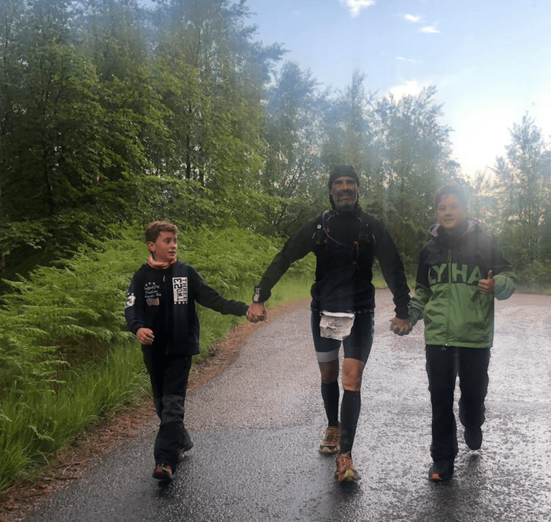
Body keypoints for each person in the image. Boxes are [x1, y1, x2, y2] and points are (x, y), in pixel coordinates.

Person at [246, 165, 412, 483]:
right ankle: (332, 425)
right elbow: (285, 256)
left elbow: (392, 265)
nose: (345, 187)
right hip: (324, 312)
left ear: (358, 188)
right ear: (331, 190)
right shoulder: (319, 225)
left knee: (351, 379)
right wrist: (260, 295)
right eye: (339, 183)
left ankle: (346, 456)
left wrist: (402, 309)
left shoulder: (372, 226)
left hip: (360, 312)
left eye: (351, 182)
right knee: (329, 374)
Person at [406, 183, 516, 482]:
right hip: (437, 338)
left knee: (473, 394)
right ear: (437, 212)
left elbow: (509, 276)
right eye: (442, 207)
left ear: (466, 209)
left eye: (453, 206)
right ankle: (442, 459)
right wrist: (410, 318)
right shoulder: (429, 250)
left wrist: (497, 285)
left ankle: (473, 420)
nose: (447, 212)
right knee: (440, 399)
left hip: (475, 338)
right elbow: (422, 292)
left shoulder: (485, 243)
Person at [125, 220, 249, 482]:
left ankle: (164, 461)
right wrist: (137, 329)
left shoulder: (186, 273)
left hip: (181, 349)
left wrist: (244, 309)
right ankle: (182, 441)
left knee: (172, 405)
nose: (173, 245)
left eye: (174, 241)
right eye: (167, 241)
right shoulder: (141, 276)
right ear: (151, 245)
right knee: (161, 405)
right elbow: (131, 309)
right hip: (153, 350)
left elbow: (213, 298)